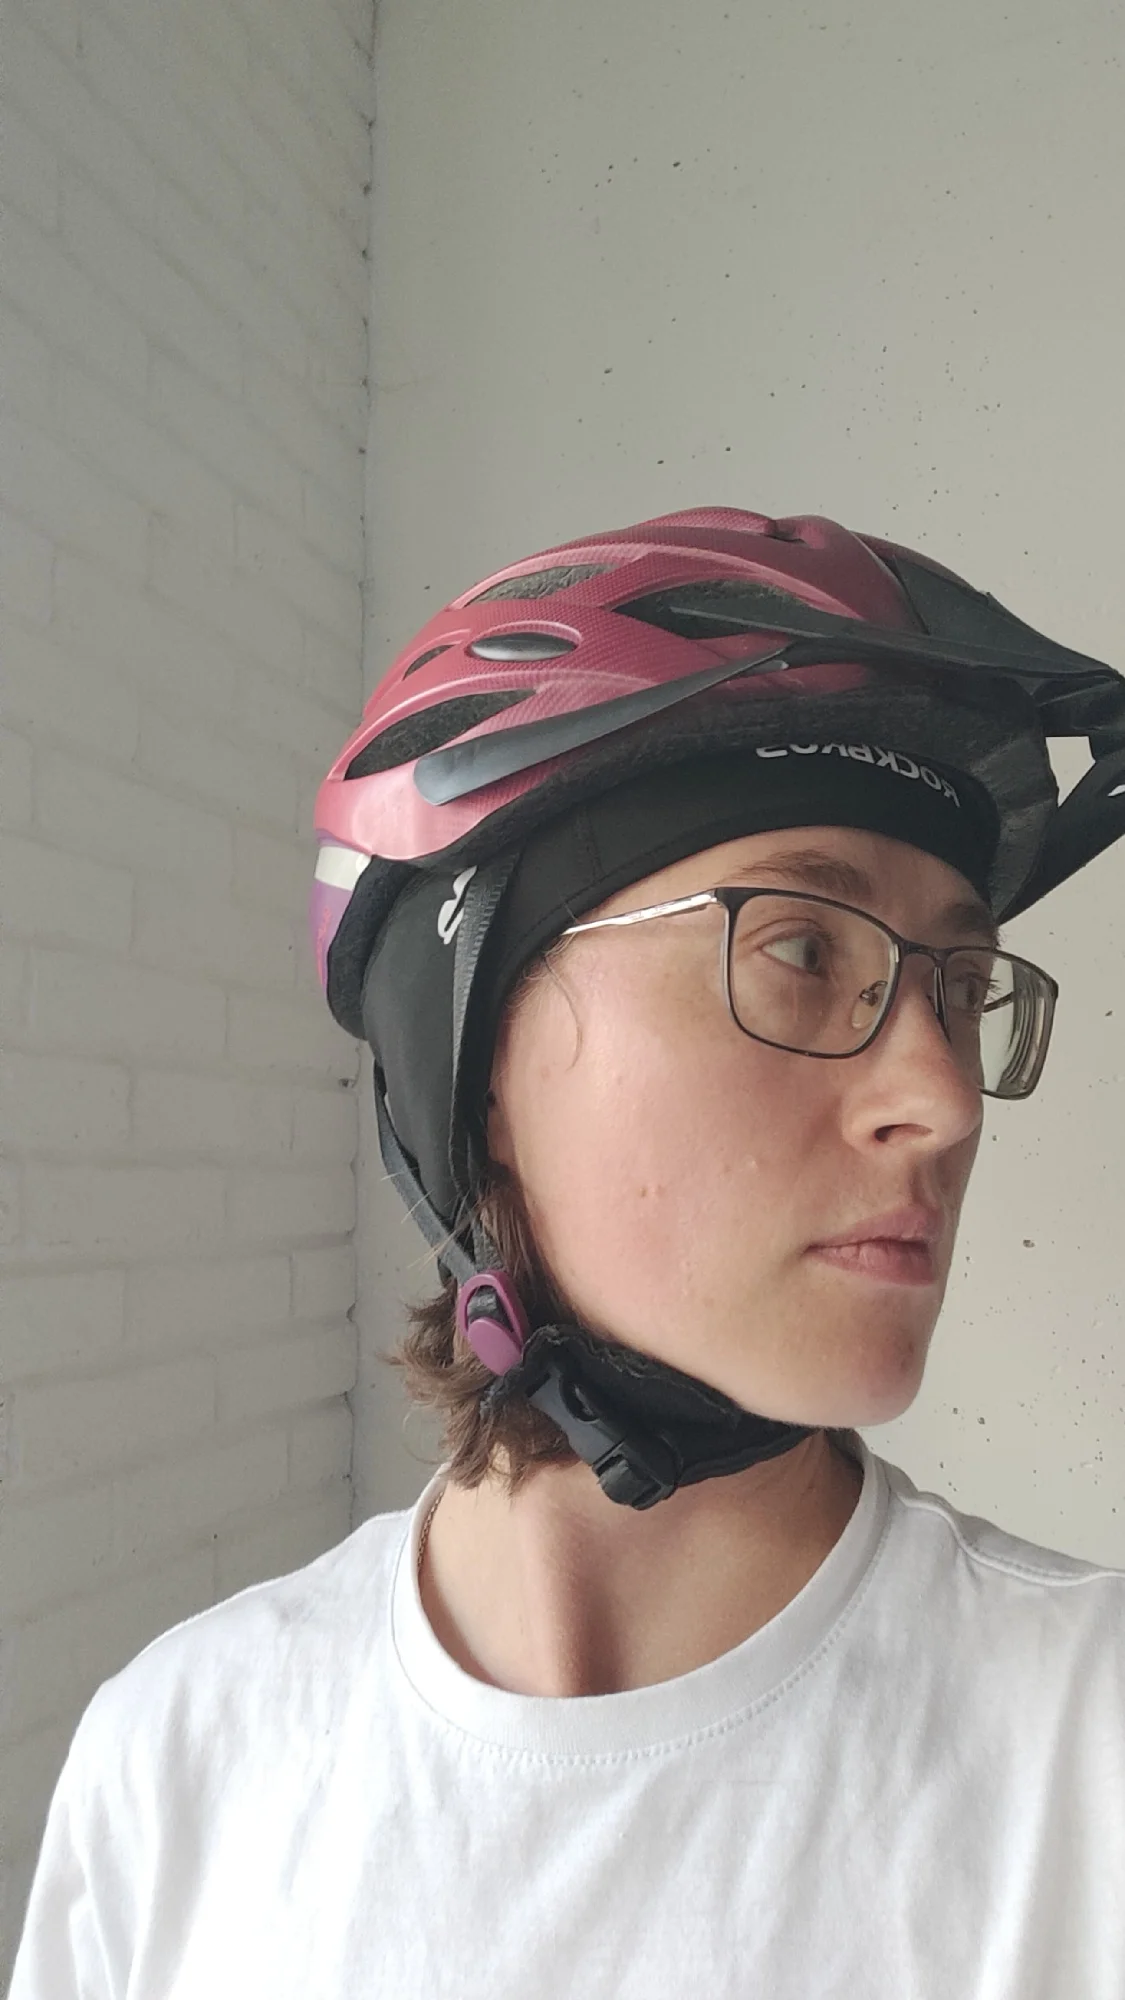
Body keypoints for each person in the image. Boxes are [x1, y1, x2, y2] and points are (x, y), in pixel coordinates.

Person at [11, 508, 1125, 1998]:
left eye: (962, 985)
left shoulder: (1088, 1755)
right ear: (480, 1066)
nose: (942, 1098)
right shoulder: (177, 1770)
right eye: (804, 950)